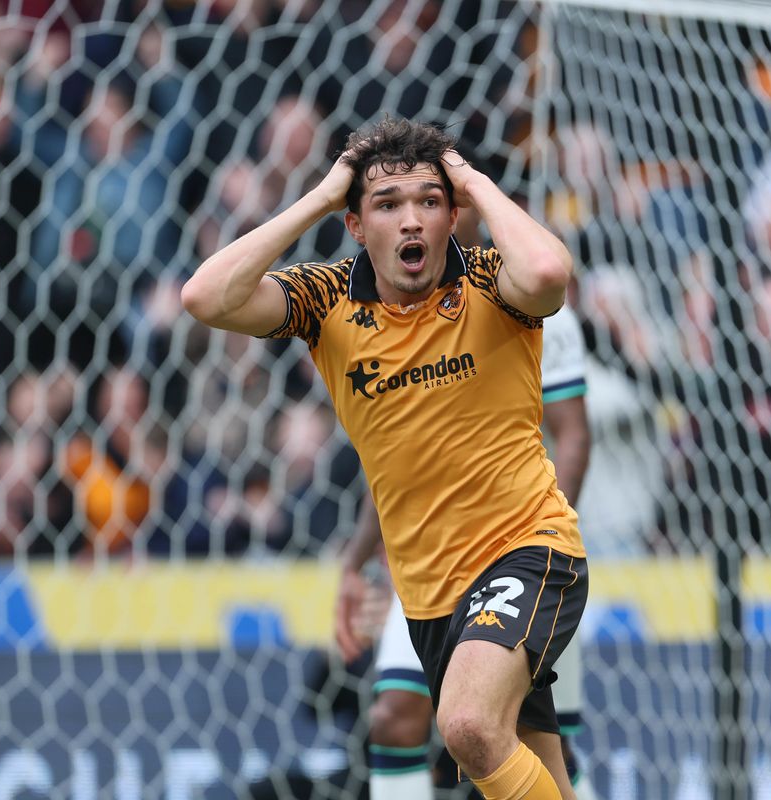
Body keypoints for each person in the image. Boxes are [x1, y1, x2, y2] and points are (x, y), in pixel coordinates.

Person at [182, 117, 586, 799]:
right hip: (428, 593)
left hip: (527, 550)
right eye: (387, 204)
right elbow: (205, 296)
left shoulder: (494, 282)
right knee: (536, 774)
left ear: (452, 216)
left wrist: (472, 182)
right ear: (356, 225)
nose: (411, 220)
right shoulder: (326, 299)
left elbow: (549, 274)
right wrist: (321, 196)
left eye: (429, 201)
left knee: (467, 725)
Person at [334, 303, 597, 799]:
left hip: (521, 556)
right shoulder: (392, 316)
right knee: (394, 717)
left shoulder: (532, 302)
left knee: (526, 737)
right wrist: (356, 561)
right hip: (431, 571)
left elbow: (574, 435)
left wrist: (537, 544)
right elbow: (395, 458)